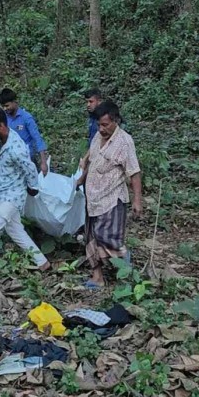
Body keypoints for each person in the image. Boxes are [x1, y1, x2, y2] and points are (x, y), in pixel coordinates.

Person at [0, 107, 51, 284]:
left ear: (1, 126)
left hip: (13, 197)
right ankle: (43, 263)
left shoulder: (16, 148)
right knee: (15, 230)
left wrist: (33, 187)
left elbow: (30, 168)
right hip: (3, 193)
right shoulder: (2, 140)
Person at [76, 101, 142, 289]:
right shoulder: (98, 136)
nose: (101, 129)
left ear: (115, 121)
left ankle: (125, 270)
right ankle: (97, 277)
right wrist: (81, 179)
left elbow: (134, 172)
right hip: (93, 199)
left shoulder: (124, 142)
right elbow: (92, 160)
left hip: (112, 199)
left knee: (108, 237)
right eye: (99, 125)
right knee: (90, 238)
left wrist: (137, 200)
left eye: (105, 125)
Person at [0, 88, 49, 176]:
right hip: (12, 160)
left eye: (7, 105)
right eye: (3, 106)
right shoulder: (4, 119)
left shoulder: (26, 118)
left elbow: (37, 138)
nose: (5, 109)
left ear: (14, 102)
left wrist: (43, 162)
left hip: (28, 159)